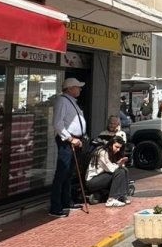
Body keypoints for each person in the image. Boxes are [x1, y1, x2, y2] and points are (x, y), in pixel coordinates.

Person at [50, 78, 88, 218]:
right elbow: (57, 123)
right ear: (70, 88)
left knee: (69, 173)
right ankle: (55, 207)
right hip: (68, 141)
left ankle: (66, 202)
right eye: (77, 87)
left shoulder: (71, 101)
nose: (80, 89)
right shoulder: (62, 101)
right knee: (62, 172)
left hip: (75, 140)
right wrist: (70, 138)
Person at [85, 135, 132, 207]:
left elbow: (114, 166)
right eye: (116, 147)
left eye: (120, 148)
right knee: (119, 172)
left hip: (102, 177)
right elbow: (111, 169)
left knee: (124, 170)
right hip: (92, 181)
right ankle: (111, 200)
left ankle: (121, 195)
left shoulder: (113, 153)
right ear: (110, 144)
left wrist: (120, 164)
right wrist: (119, 164)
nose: (118, 150)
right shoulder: (102, 152)